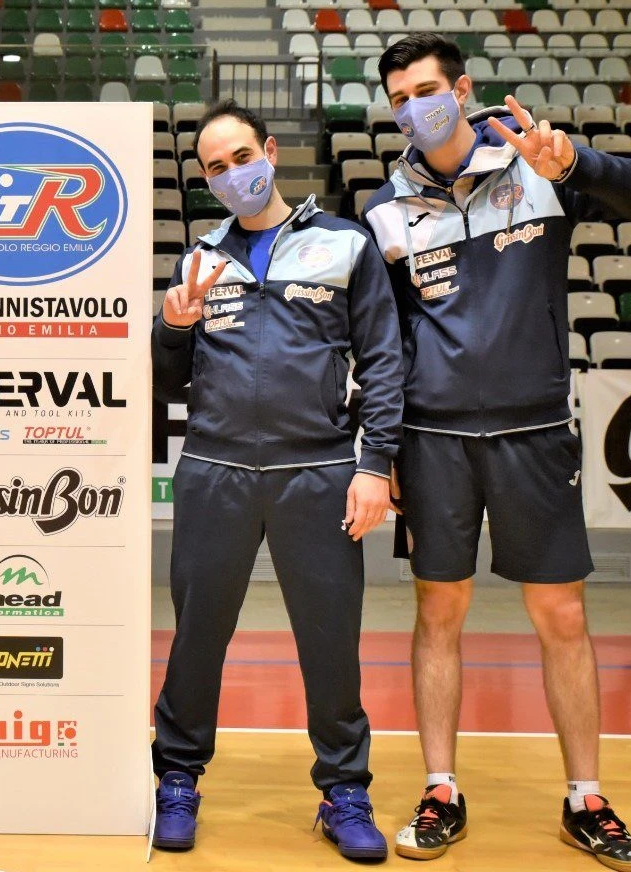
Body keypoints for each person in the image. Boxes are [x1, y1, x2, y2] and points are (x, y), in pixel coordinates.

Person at [361, 34, 631, 871]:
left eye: (426, 89)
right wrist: (382, 450)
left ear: (463, 89)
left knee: (562, 616)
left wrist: (575, 162)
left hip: (534, 433)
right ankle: (440, 789)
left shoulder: (538, 168)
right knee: (439, 612)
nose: (414, 107)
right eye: (399, 98)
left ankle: (586, 800)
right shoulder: (385, 210)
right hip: (433, 441)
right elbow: (385, 345)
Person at [149, 100, 403, 859]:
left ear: (270, 151)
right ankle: (177, 778)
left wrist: (375, 464)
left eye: (242, 157)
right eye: (216, 168)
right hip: (215, 470)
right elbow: (165, 381)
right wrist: (173, 327)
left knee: (331, 641)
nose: (234, 175)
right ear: (206, 180)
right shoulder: (198, 259)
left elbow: (384, 361)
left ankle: (345, 790)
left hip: (318, 471)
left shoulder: (345, 245)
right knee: (197, 637)